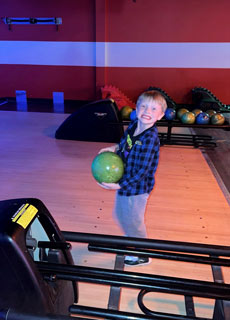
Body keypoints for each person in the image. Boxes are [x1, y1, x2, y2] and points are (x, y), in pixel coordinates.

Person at [98, 90, 167, 266]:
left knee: (135, 221)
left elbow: (142, 172)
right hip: (125, 182)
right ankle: (132, 235)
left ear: (160, 115)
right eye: (143, 106)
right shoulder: (134, 124)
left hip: (137, 188)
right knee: (120, 215)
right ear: (136, 109)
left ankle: (143, 254)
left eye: (153, 108)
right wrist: (113, 149)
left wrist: (119, 185)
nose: (147, 111)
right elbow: (124, 145)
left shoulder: (150, 139)